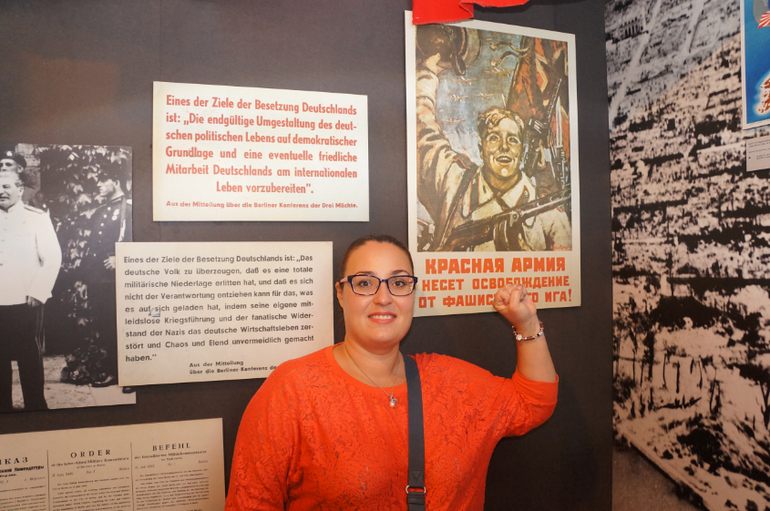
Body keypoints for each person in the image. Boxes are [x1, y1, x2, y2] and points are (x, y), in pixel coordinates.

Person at [226, 234, 557, 510]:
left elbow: (532, 403)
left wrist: (527, 323)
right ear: (341, 294)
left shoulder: (451, 382)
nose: (383, 298)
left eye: (398, 283)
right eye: (365, 283)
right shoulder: (292, 391)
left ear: (412, 294)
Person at [416, 51, 572, 252]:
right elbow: (422, 132)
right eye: (494, 138)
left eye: (513, 140)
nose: (504, 147)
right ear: (481, 149)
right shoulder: (452, 180)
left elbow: (565, 264)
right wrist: (427, 72)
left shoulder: (551, 217)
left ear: (521, 150)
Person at [0, 170, 62, 411]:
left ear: (20, 189)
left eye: (6, 186)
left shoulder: (36, 218)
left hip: (25, 298)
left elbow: (52, 258)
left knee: (28, 353)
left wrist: (38, 291)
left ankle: (35, 406)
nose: (1, 192)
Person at [82, 168, 132, 388]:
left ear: (116, 182)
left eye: (104, 180)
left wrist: (120, 258)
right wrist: (86, 278)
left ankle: (130, 375)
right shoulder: (102, 211)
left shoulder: (129, 209)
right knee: (106, 325)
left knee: (125, 326)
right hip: (99, 279)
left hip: (120, 278)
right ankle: (113, 370)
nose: (99, 185)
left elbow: (141, 241)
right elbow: (92, 247)